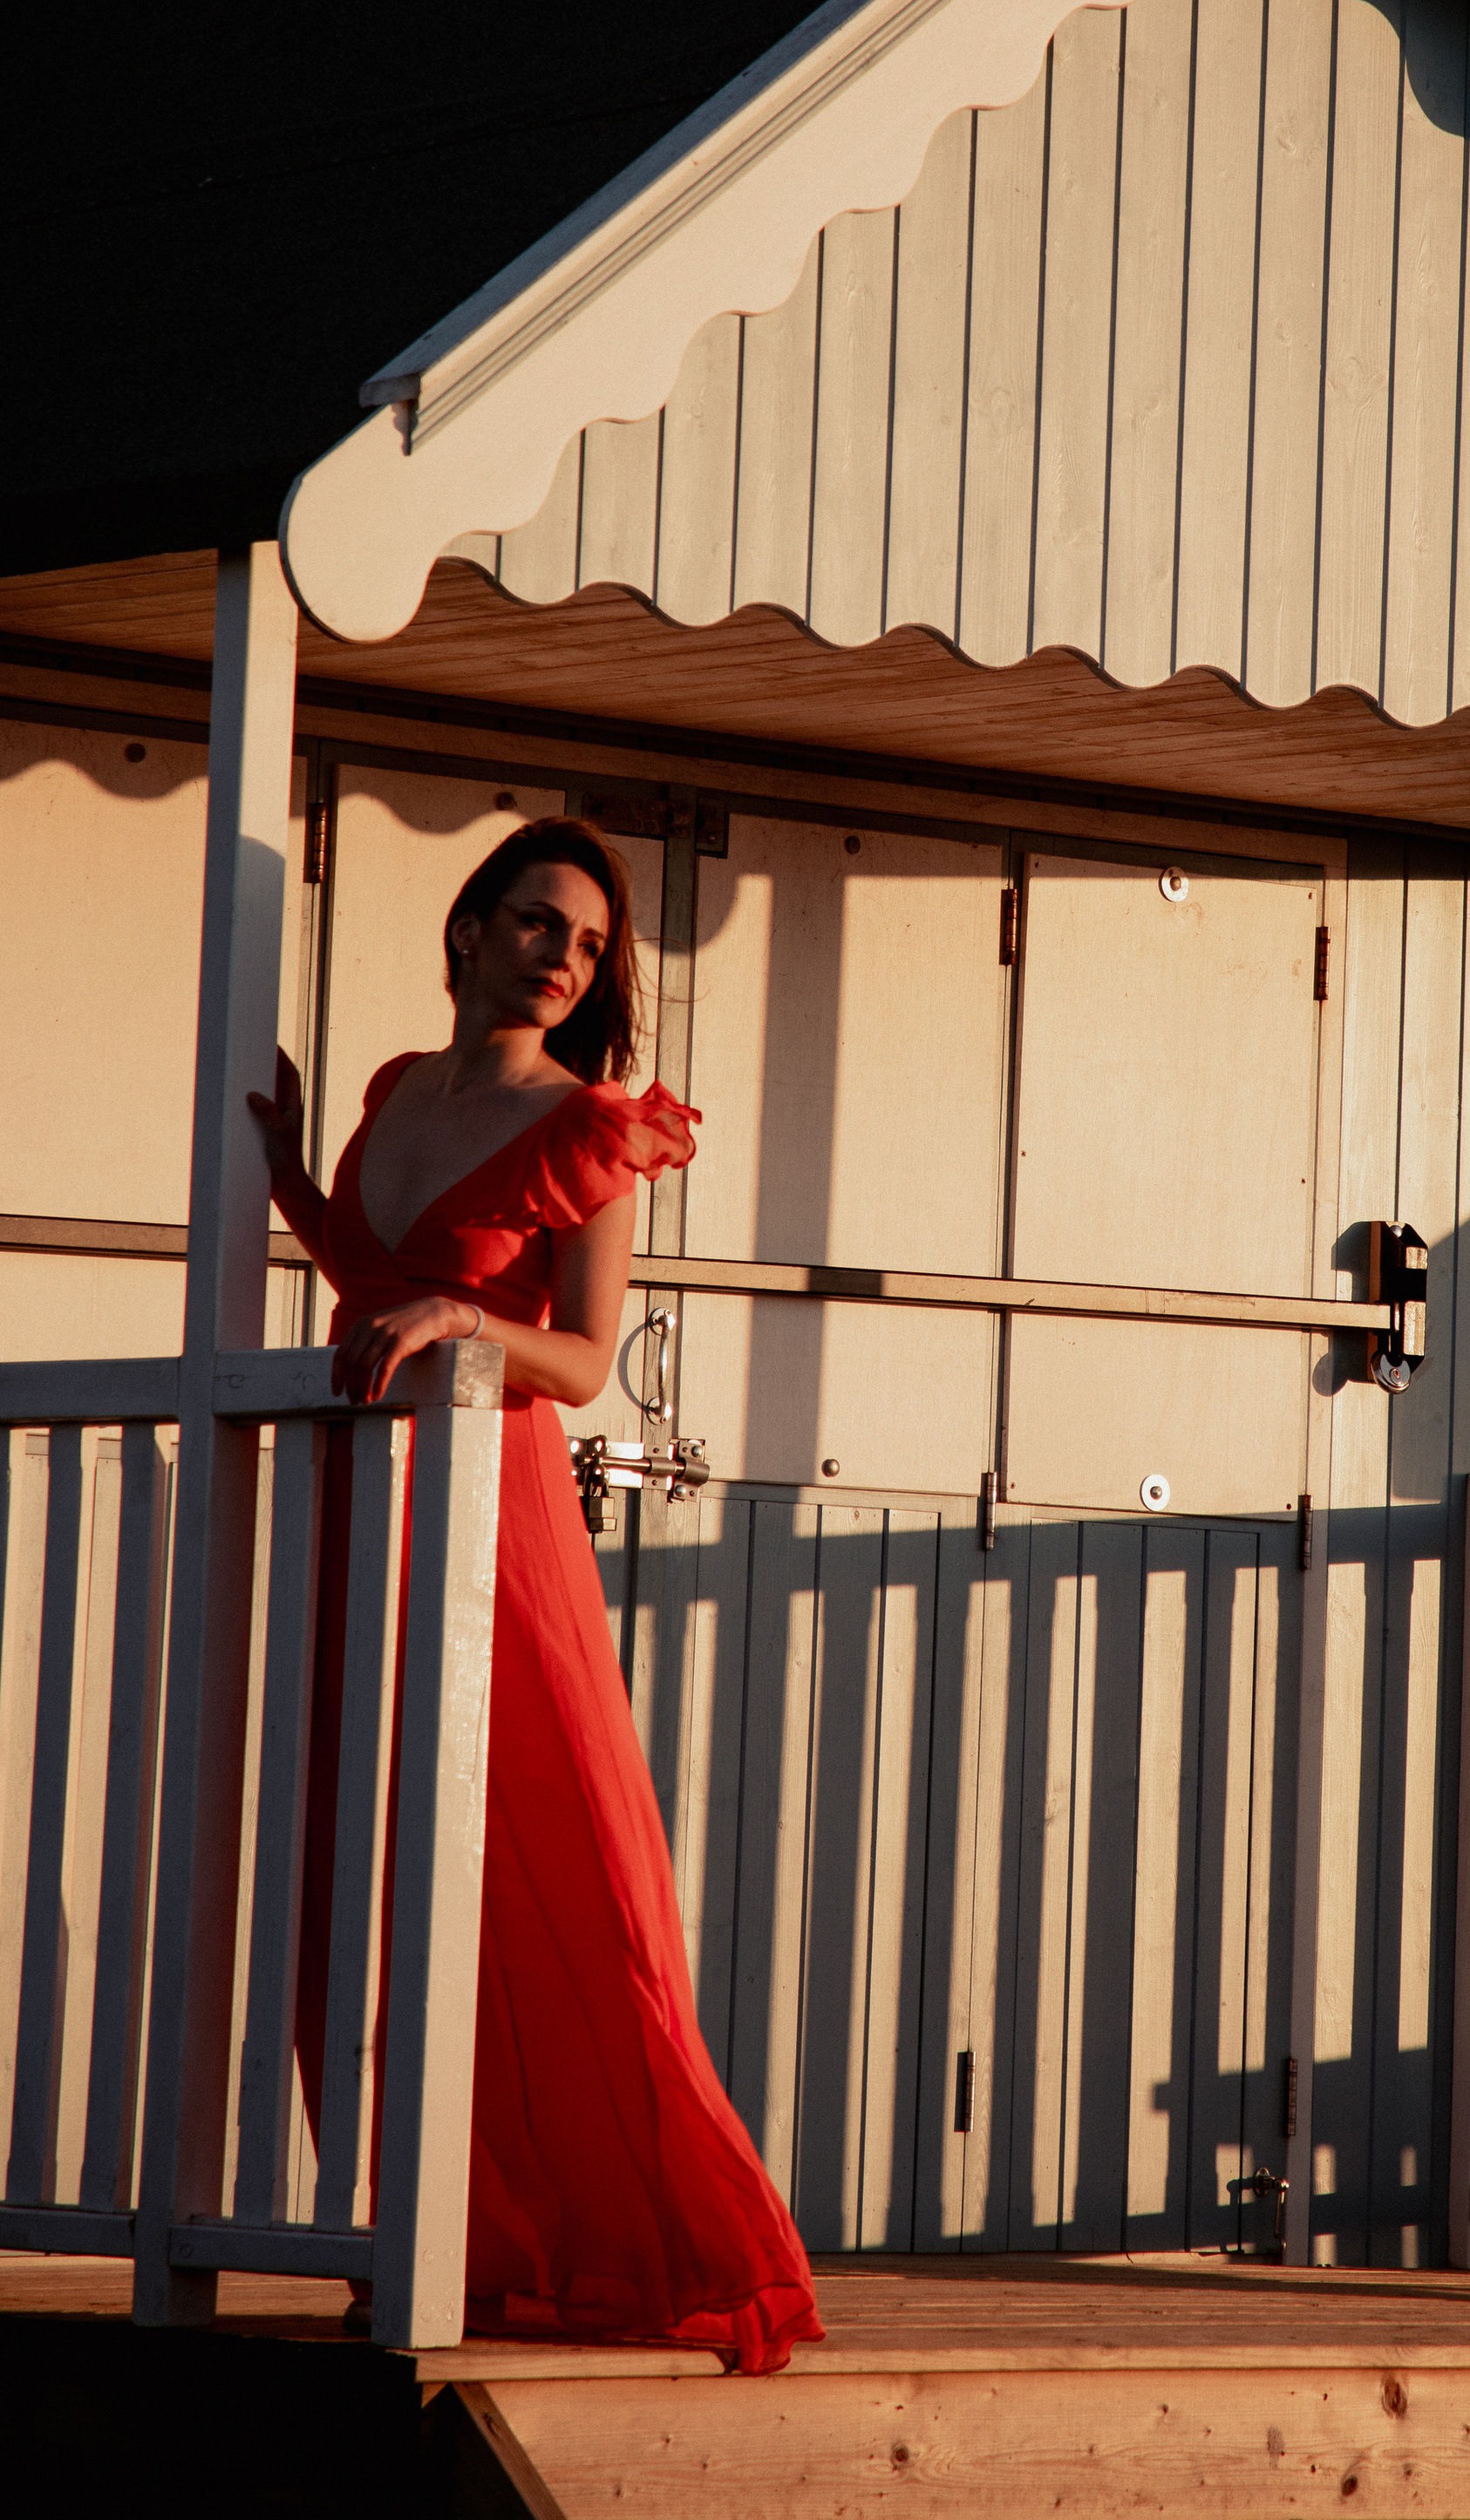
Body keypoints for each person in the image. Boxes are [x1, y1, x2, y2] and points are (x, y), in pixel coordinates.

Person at [248, 816, 820, 2367]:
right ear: (468, 928)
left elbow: (577, 1359)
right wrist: (296, 1176)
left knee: (531, 1876)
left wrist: (460, 1313)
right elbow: (375, 1280)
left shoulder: (593, 1127)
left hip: (493, 1528)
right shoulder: (394, 1093)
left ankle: (607, 2227)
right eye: (536, 924)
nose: (562, 958)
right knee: (350, 1862)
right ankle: (419, 2229)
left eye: (587, 945)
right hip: (363, 1509)